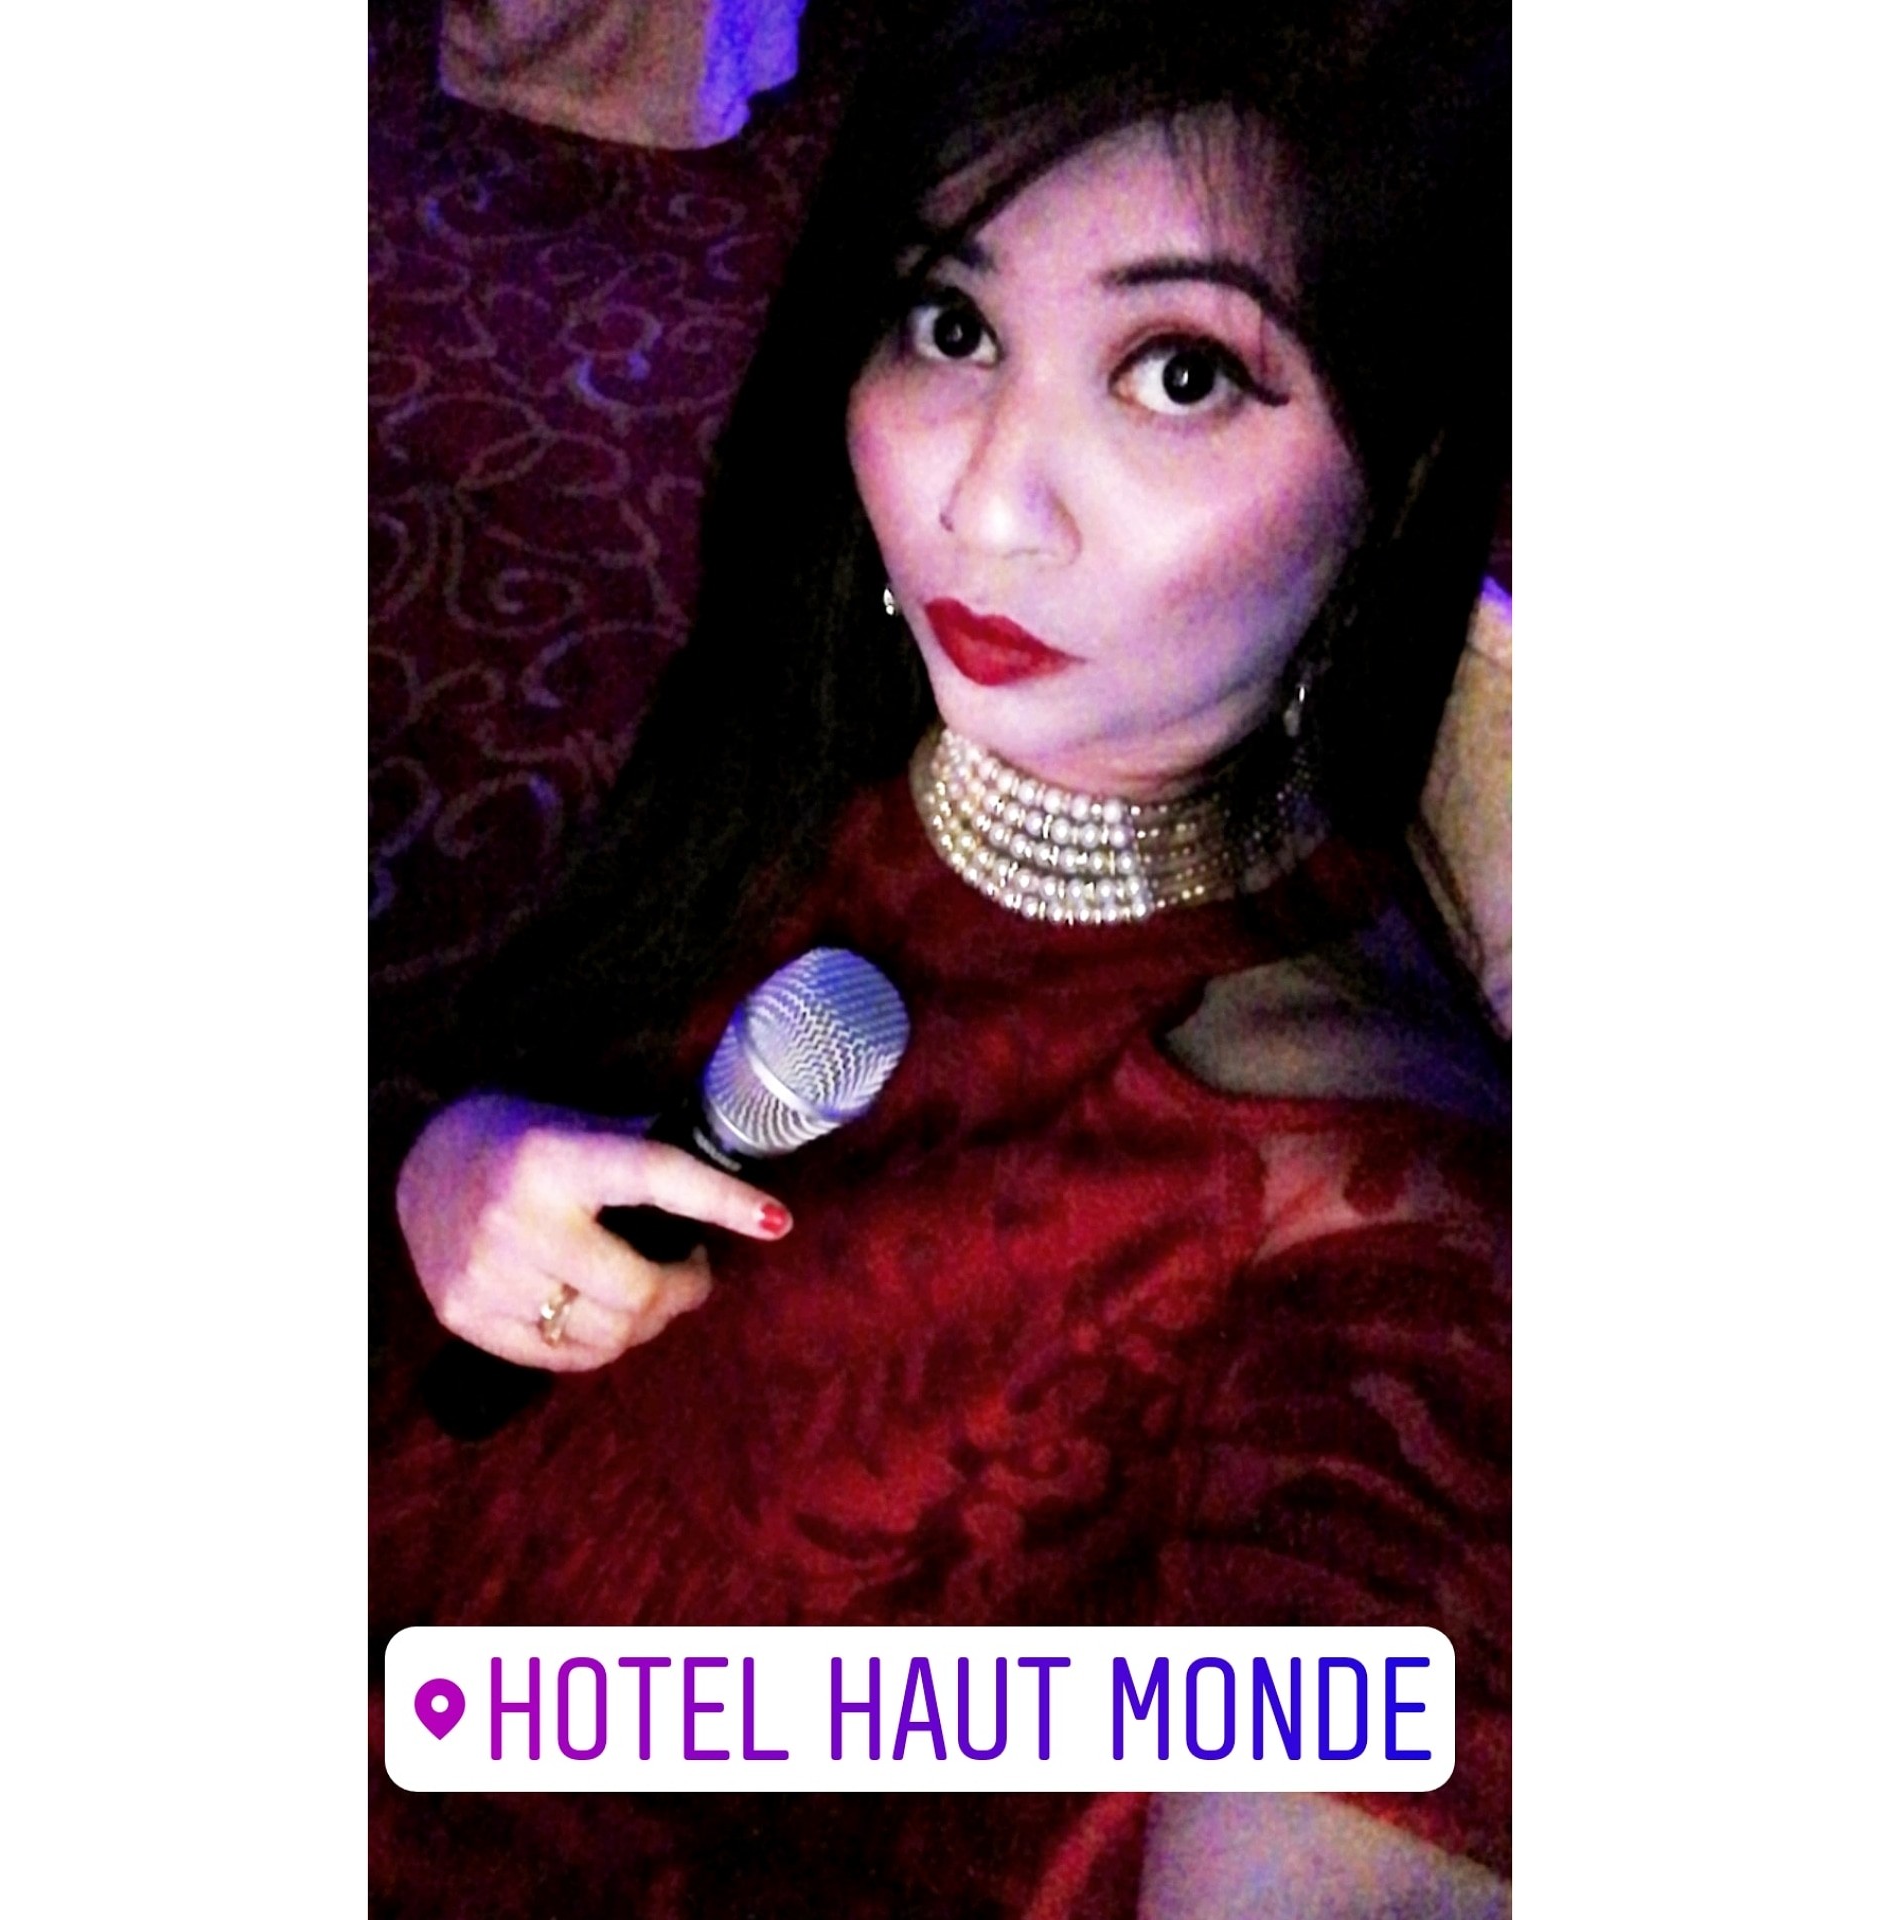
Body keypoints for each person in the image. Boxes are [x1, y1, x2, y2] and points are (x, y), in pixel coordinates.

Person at [370, 0, 1511, 1912]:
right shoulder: (833, 713)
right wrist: (446, 1168)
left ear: (1399, 465)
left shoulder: (1367, 1227)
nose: (978, 502)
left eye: (1177, 374)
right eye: (952, 325)